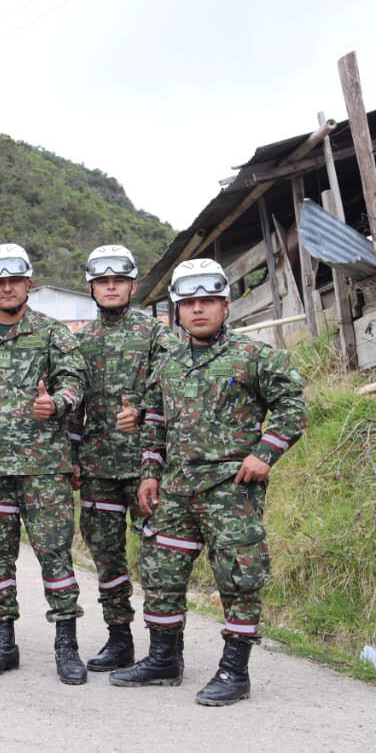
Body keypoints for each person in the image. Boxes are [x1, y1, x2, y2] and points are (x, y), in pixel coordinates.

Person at [110, 259, 305, 705]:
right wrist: (149, 472)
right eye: (189, 303)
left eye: (208, 301)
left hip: (230, 488)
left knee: (239, 578)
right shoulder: (169, 362)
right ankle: (163, 660)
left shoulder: (254, 356)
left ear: (225, 305)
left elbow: (293, 406)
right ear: (177, 310)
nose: (199, 310)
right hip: (176, 489)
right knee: (160, 573)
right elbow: (155, 421)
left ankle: (234, 672)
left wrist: (265, 452)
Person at [0, 243, 89, 685]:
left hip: (44, 470)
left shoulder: (53, 335)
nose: (7, 288)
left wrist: (59, 403)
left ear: (28, 284)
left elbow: (74, 384)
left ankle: (66, 645)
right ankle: (2, 642)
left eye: (14, 280)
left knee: (54, 556)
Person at [69, 245, 175, 671]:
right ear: (92, 288)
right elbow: (74, 405)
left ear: (133, 285)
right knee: (106, 557)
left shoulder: (158, 335)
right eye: (102, 281)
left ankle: (164, 646)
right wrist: (71, 454)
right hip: (98, 468)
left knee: (158, 558)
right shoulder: (79, 342)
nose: (110, 287)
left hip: (149, 466)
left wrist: (146, 413)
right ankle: (119, 640)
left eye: (118, 281)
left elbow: (175, 390)